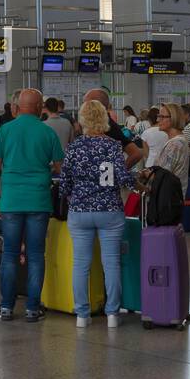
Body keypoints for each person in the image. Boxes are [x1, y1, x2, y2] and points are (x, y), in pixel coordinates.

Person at [0, 89, 64, 321]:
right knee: (35, 254)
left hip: (10, 200)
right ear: (40, 106)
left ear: (17, 106)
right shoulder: (47, 132)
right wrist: (45, 169)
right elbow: (60, 167)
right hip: (39, 201)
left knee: (10, 254)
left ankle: (6, 307)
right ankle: (32, 308)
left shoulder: (5, 130)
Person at [61, 100, 136, 328]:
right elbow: (124, 178)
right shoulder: (113, 146)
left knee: (80, 265)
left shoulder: (74, 147)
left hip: (80, 211)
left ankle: (82, 315)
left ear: (82, 120)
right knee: (111, 264)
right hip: (110, 211)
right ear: (104, 119)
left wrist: (73, 197)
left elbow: (64, 184)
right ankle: (112, 314)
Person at [82, 89, 145, 168]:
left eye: (86, 104)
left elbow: (136, 154)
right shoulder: (98, 126)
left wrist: (119, 171)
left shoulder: (110, 128)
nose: (82, 108)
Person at [144, 103, 190, 194]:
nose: (158, 120)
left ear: (173, 118)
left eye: (162, 116)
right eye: (158, 116)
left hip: (168, 199)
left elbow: (160, 177)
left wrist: (145, 174)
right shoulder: (177, 141)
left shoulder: (175, 144)